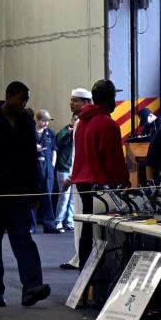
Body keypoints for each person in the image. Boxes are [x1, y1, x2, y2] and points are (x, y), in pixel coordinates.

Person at [0, 81, 50, 308]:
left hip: (19, 193)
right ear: (9, 97)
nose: (24, 104)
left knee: (23, 239)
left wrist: (35, 193)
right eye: (21, 100)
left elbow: (30, 159)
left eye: (26, 100)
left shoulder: (26, 120)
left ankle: (32, 287)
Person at [70, 79, 130, 268]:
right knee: (109, 234)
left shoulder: (82, 122)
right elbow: (114, 162)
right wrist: (124, 184)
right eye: (114, 96)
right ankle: (103, 279)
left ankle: (84, 279)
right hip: (101, 187)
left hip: (83, 184)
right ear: (109, 98)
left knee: (87, 230)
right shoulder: (107, 124)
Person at [59, 87, 93, 270]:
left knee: (80, 219)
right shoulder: (84, 121)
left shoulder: (81, 122)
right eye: (71, 99)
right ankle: (80, 255)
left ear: (86, 103)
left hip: (81, 177)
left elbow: (79, 154)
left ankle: (81, 257)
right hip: (84, 176)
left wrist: (71, 177)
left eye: (75, 100)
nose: (71, 103)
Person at [33, 110, 60, 233]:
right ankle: (30, 226)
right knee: (32, 197)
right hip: (33, 168)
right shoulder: (29, 132)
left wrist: (53, 165)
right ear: (37, 120)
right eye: (44, 121)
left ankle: (49, 225)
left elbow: (54, 150)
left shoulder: (50, 133)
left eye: (48, 121)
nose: (46, 124)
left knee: (47, 197)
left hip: (47, 168)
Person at [54, 112, 76, 233]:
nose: (77, 120)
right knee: (64, 197)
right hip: (63, 169)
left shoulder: (81, 130)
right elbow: (58, 144)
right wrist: (68, 135)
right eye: (75, 119)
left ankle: (70, 221)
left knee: (73, 198)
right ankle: (58, 221)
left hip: (75, 169)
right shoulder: (65, 130)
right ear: (72, 119)